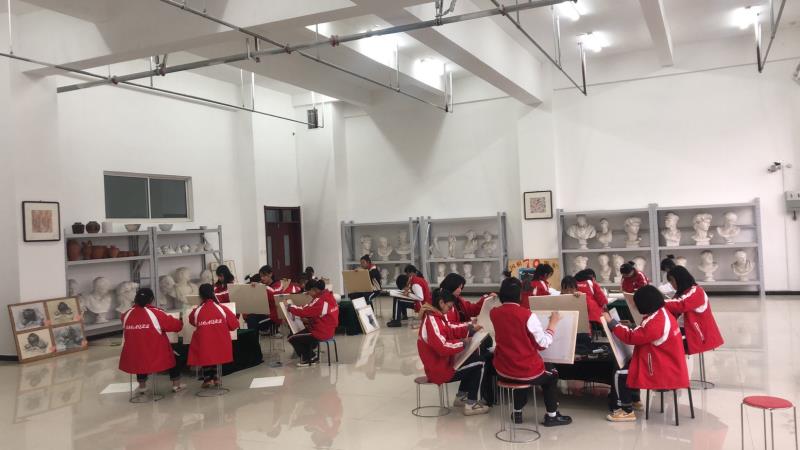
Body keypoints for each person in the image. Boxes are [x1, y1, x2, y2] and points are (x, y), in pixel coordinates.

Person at [490, 277, 572, 426]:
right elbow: (543, 344)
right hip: (524, 370)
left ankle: (517, 412)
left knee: (519, 371)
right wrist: (552, 324)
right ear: (520, 295)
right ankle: (552, 416)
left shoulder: (494, 313)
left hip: (503, 370)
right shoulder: (527, 315)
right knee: (552, 373)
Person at [602, 285, 689, 422]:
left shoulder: (657, 321)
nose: (635, 306)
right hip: (666, 362)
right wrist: (626, 325)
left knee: (620, 373)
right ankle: (635, 400)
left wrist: (611, 322)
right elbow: (642, 331)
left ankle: (626, 410)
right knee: (630, 364)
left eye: (636, 303)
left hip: (662, 369)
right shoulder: (661, 313)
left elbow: (631, 337)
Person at [417, 288, 489, 416]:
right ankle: (471, 404)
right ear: (441, 303)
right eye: (449, 307)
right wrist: (463, 343)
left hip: (443, 364)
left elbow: (450, 328)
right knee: (480, 363)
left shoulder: (436, 316)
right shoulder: (432, 320)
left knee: (472, 359)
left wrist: (470, 327)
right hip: (440, 370)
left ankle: (461, 396)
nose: (449, 310)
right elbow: (442, 347)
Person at [119, 288, 186, 394]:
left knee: (140, 357)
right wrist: (180, 322)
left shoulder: (126, 315)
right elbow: (176, 326)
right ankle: (176, 385)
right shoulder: (155, 313)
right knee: (175, 356)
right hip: (155, 355)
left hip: (133, 356)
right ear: (151, 299)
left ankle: (142, 386)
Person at [188, 284, 239, 388]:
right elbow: (234, 324)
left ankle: (207, 379)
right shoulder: (221, 308)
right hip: (221, 343)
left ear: (200, 295)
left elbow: (192, 321)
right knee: (216, 352)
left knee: (205, 351)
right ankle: (216, 378)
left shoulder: (197, 310)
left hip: (204, 344)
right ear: (213, 293)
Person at [665, 266, 724, 355]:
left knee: (664, 345)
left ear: (680, 279)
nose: (671, 285)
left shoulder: (697, 291)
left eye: (672, 281)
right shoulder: (682, 293)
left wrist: (658, 302)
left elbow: (681, 304)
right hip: (688, 332)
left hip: (699, 336)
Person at [286, 279, 340, 367]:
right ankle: (311, 355)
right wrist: (309, 321)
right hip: (329, 330)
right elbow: (323, 315)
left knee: (291, 337)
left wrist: (290, 307)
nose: (309, 295)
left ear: (314, 290)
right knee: (302, 334)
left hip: (321, 332)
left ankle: (309, 358)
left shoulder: (320, 301)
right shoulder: (329, 296)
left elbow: (304, 311)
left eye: (308, 292)